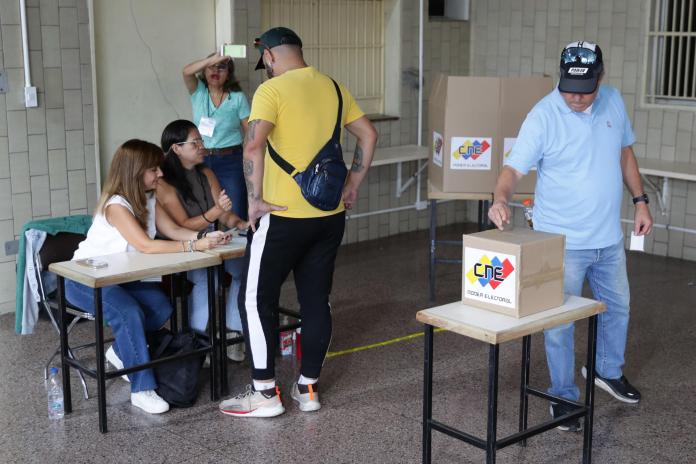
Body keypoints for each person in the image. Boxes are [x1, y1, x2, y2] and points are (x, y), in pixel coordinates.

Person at [488, 42, 653, 431]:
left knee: (618, 308)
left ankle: (606, 370)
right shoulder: (544, 115)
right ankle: (562, 395)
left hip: (608, 238)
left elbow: (625, 153)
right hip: (560, 242)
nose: (577, 98)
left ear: (601, 78)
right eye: (569, 89)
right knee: (559, 323)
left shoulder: (613, 101)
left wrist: (641, 201)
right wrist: (499, 199)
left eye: (586, 89)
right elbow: (513, 169)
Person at [218, 27, 378, 417]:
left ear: (269, 56)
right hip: (329, 217)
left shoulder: (271, 92)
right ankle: (308, 389)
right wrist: (353, 182)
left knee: (256, 299)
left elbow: (253, 144)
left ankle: (265, 394)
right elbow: (368, 135)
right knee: (316, 300)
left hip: (282, 217)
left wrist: (254, 200)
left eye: (266, 63)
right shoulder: (335, 88)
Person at [65, 139, 227, 414]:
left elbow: (175, 231)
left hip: (120, 279)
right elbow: (146, 245)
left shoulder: (149, 199)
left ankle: (120, 352)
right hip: (84, 280)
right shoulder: (116, 205)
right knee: (128, 313)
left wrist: (206, 237)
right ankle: (142, 389)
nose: (160, 174)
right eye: (154, 170)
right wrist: (194, 246)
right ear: (135, 171)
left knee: (161, 306)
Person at [157, 119, 248, 361]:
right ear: (176, 148)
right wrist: (216, 213)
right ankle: (196, 342)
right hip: (181, 247)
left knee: (242, 269)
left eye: (201, 140)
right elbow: (184, 225)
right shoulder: (164, 183)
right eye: (194, 142)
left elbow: (225, 212)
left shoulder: (206, 172)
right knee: (210, 277)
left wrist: (239, 223)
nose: (201, 146)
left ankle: (232, 332)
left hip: (212, 240)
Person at [183, 52, 250, 221]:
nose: (216, 71)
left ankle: (238, 245)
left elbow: (250, 131)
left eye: (222, 68)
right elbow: (186, 72)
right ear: (204, 71)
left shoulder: (237, 97)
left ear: (229, 74)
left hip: (231, 160)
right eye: (211, 67)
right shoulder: (198, 92)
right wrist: (212, 59)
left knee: (234, 208)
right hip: (200, 158)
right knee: (201, 208)